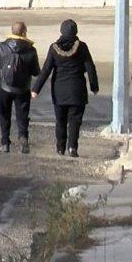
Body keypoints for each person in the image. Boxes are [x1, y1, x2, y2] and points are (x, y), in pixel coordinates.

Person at [32, 19, 99, 158]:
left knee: (60, 121)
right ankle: (72, 148)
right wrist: (94, 86)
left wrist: (36, 89)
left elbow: (46, 70)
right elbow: (90, 67)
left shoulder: (53, 48)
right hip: (77, 91)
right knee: (75, 121)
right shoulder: (82, 47)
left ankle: (60, 147)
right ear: (76, 32)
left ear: (61, 31)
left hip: (59, 91)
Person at [0, 21, 42, 154]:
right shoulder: (31, 50)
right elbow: (36, 72)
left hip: (5, 88)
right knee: (22, 115)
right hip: (23, 89)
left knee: (4, 114)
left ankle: (5, 143)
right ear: (24, 33)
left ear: (12, 31)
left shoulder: (1, 47)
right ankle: (23, 137)